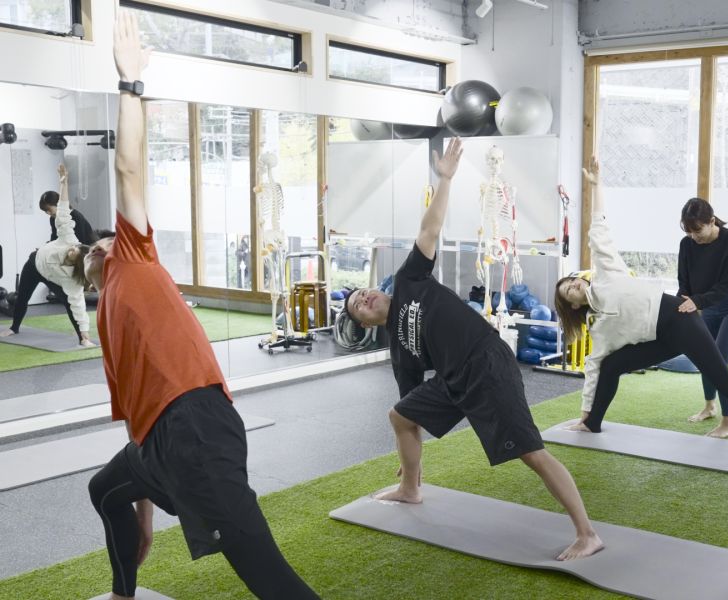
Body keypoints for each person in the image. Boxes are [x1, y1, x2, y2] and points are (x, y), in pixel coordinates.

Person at [83, 13, 319, 600]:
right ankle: (123, 592)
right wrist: (142, 508)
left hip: (195, 427)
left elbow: (128, 168)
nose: (99, 245)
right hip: (156, 443)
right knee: (103, 490)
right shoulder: (106, 316)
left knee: (265, 573)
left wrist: (130, 84)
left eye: (104, 240)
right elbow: (136, 414)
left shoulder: (133, 258)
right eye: (91, 249)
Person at [345, 137, 603, 561]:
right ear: (365, 323)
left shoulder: (410, 279)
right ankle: (410, 488)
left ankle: (587, 533)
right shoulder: (400, 353)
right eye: (358, 306)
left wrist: (445, 179)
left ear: (379, 290)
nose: (364, 298)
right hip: (454, 380)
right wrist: (409, 459)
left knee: (531, 452)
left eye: (364, 292)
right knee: (400, 415)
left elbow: (430, 229)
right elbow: (411, 410)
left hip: (486, 363)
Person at [553, 157, 728, 469]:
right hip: (663, 333)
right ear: (574, 306)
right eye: (569, 291)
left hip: (678, 319)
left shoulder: (605, 272)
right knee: (611, 365)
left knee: (723, 379)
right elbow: (593, 366)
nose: (575, 284)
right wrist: (584, 413)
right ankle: (592, 424)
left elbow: (599, 226)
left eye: (572, 280)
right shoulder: (598, 326)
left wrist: (596, 185)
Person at [678, 198, 728, 439]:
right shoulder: (687, 244)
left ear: (712, 221)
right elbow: (684, 282)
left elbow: (727, 285)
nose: (693, 237)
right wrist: (682, 302)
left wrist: (697, 302)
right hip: (708, 306)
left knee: (718, 361)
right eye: (689, 232)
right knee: (704, 355)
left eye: (698, 230)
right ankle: (709, 406)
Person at [0, 163, 95, 347]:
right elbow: (63, 208)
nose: (72, 249)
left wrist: (85, 336)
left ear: (77, 261)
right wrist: (63, 181)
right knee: (23, 295)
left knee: (71, 301)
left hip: (54, 274)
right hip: (35, 264)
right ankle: (14, 327)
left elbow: (79, 305)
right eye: (74, 248)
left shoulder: (71, 278)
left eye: (74, 252)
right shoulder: (68, 234)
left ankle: (83, 338)